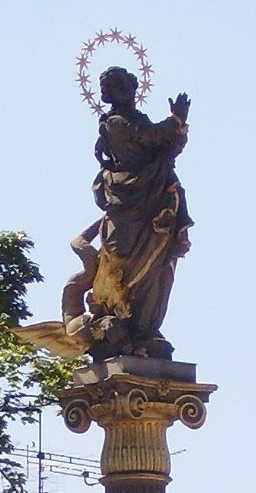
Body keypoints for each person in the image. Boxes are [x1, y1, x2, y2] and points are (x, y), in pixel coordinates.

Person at [66, 66, 192, 360]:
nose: (112, 92)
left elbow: (167, 146)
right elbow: (153, 137)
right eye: (110, 87)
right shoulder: (117, 123)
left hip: (153, 200)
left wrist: (179, 126)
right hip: (128, 200)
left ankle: (144, 328)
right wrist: (175, 121)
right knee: (121, 260)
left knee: (157, 264)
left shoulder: (136, 120)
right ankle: (117, 322)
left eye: (118, 85)